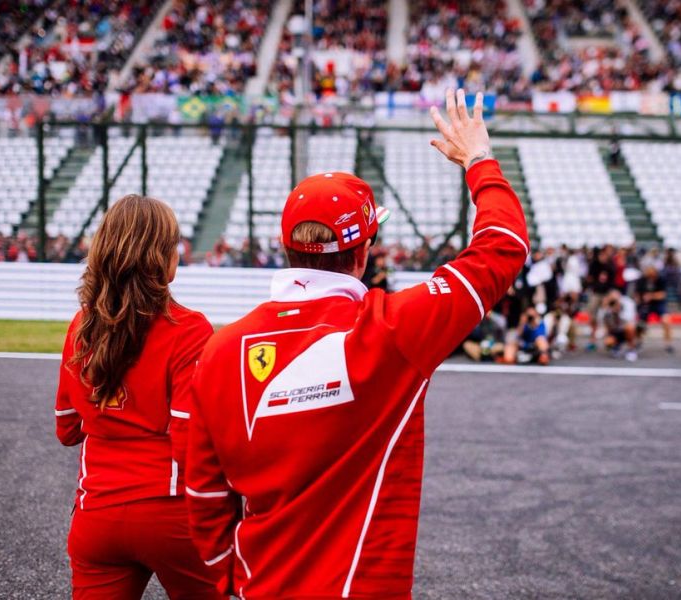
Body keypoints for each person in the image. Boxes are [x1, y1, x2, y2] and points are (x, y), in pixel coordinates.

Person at [183, 90, 529, 598]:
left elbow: (204, 496)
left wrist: (232, 579)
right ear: (364, 252)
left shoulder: (218, 351)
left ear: (286, 245)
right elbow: (504, 246)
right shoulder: (393, 329)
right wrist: (479, 159)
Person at [54, 195, 224, 599]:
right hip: (171, 512)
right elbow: (192, 442)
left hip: (97, 513)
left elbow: (67, 428)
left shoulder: (82, 326)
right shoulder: (190, 329)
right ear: (162, 257)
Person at [636, 265, 674, 353]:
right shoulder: (642, 280)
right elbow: (637, 294)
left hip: (658, 303)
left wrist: (651, 296)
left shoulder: (661, 279)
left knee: (666, 320)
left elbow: (663, 294)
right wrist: (639, 302)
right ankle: (638, 341)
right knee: (640, 323)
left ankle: (668, 344)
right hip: (645, 304)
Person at [599, 289, 640, 361]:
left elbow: (629, 320)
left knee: (629, 328)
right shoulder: (607, 306)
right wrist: (605, 308)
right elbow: (600, 321)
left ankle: (631, 349)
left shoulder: (627, 303)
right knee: (608, 341)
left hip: (625, 329)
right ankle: (616, 346)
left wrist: (618, 308)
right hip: (614, 330)